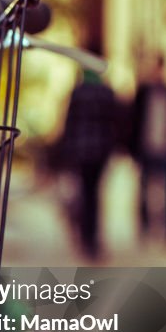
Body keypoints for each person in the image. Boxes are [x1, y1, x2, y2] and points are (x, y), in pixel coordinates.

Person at [60, 69, 117, 259]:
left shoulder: (78, 92)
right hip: (101, 151)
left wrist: (67, 151)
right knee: (94, 194)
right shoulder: (107, 93)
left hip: (82, 151)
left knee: (86, 192)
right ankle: (92, 237)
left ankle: (87, 237)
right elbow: (115, 124)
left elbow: (69, 123)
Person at [131, 56, 166, 238]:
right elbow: (135, 121)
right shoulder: (143, 93)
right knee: (144, 189)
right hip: (146, 146)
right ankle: (144, 225)